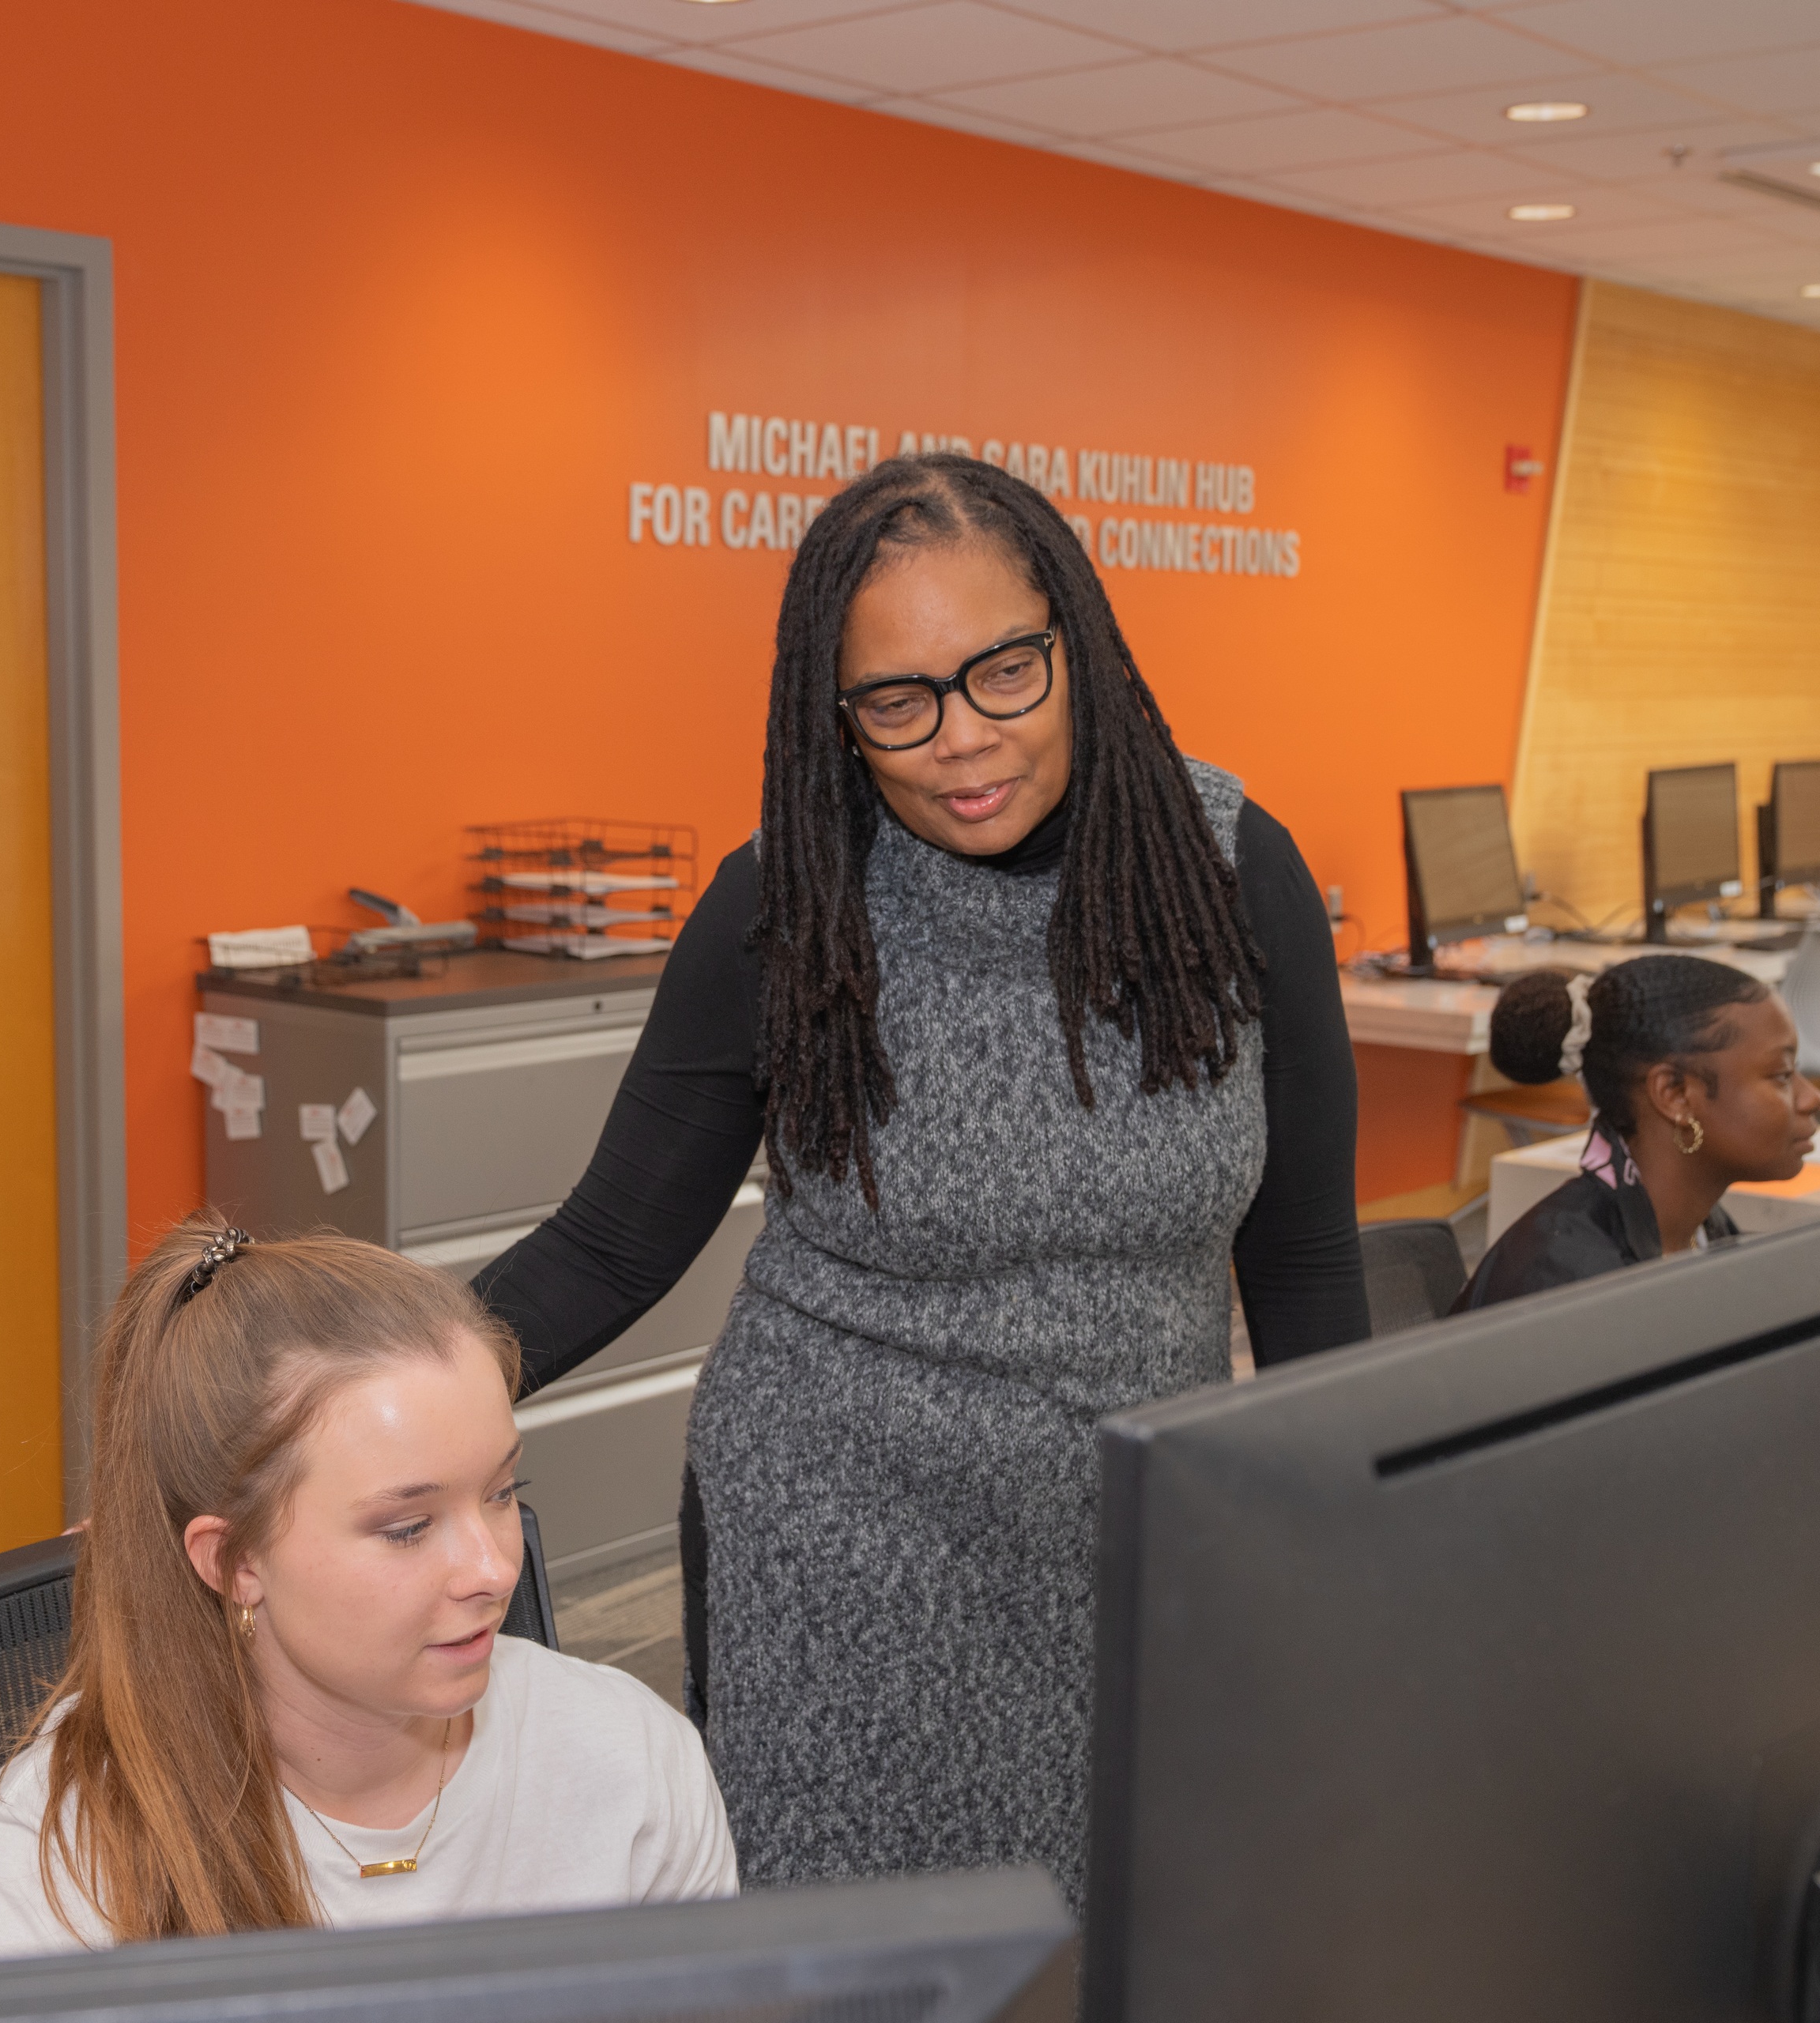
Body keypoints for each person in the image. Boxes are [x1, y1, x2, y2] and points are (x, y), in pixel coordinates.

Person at [472, 453, 1368, 1907]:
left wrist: (1345, 1522)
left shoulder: (1228, 868)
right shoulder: (790, 902)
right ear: (835, 716)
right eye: (896, 700)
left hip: (1132, 1533)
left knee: (1118, 1933)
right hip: (840, 1538)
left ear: (1074, 642)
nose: (960, 740)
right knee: (861, 1963)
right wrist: (334, 1408)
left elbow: (1308, 1259)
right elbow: (609, 1246)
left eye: (1002, 672)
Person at [0, 1221, 733, 1965]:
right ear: (233, 1563)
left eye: (502, 1491)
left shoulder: (631, 1761)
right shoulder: (39, 1880)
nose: (494, 1567)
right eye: (408, 1527)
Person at [1454, 955, 1820, 1310]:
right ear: (1675, 1095)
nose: (1813, 1098)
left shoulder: (1704, 1228)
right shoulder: (1567, 1283)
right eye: (1782, 1075)